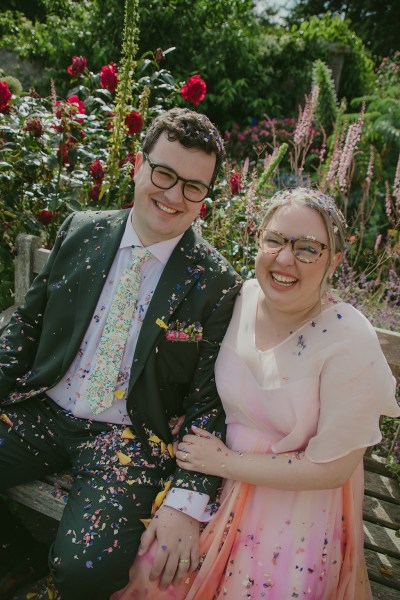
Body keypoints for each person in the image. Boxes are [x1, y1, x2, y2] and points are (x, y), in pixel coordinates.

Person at [0, 107, 242, 600]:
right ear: (138, 163)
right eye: (165, 174)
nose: (174, 196)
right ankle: (18, 556)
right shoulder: (81, 230)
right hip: (44, 407)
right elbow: (25, 325)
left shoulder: (215, 283)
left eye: (193, 186)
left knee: (83, 570)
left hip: (130, 438)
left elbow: (208, 401)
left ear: (205, 196)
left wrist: (187, 498)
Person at [113, 187, 399, 600]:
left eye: (307, 249)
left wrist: (226, 462)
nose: (285, 259)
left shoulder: (349, 338)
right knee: (155, 569)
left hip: (297, 502)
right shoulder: (239, 299)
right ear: (258, 239)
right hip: (215, 480)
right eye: (275, 240)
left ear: (334, 261)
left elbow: (332, 470)